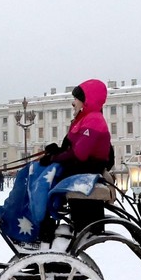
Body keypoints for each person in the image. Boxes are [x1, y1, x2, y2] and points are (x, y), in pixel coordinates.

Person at [38, 79, 115, 235]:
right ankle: (40, 220)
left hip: (84, 168)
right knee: (37, 171)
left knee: (40, 177)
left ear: (86, 100)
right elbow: (72, 147)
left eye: (76, 99)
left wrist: (54, 157)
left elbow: (79, 153)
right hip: (80, 167)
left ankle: (40, 223)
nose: (73, 103)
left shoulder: (93, 120)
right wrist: (57, 151)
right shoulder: (85, 118)